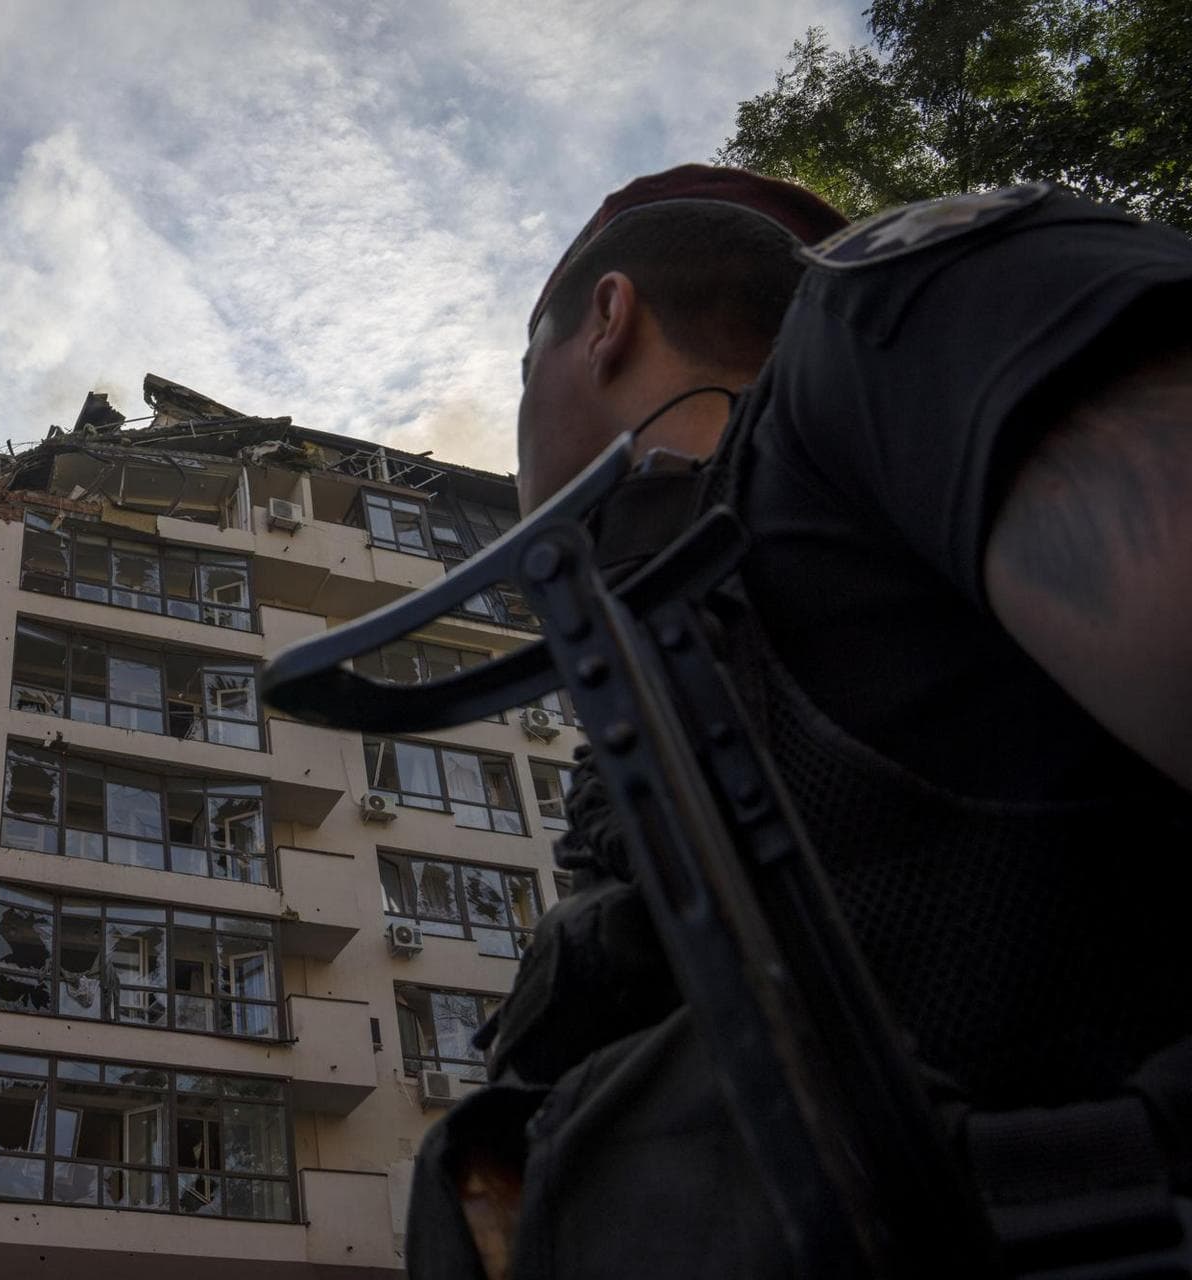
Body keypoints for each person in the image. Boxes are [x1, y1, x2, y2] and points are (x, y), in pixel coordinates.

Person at [406, 166, 1192, 1277]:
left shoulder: (889, 325)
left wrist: (1068, 1183)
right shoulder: (648, 731)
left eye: (519, 368)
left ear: (606, 320)